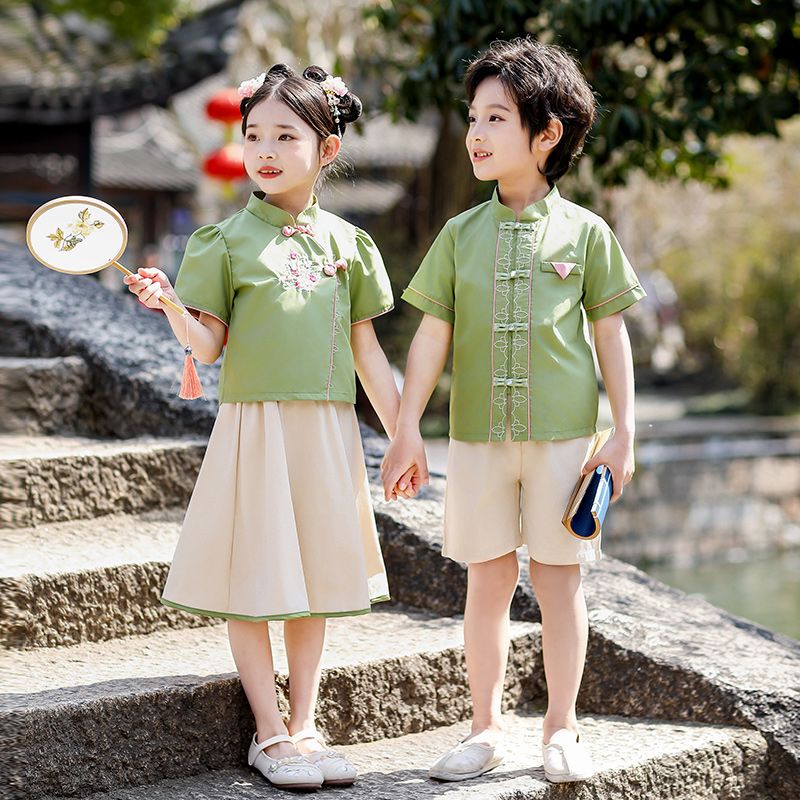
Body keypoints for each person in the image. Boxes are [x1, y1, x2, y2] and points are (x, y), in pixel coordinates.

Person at [125, 64, 402, 792]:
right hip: (256, 430)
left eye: (286, 135)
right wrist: (173, 309)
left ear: (327, 151)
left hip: (327, 432)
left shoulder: (351, 245)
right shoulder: (219, 243)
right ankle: (269, 732)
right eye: (254, 136)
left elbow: (368, 351)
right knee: (255, 578)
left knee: (313, 581)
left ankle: (306, 724)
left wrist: (404, 432)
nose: (266, 150)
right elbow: (208, 348)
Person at [381, 37, 646, 784]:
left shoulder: (586, 233)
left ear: (546, 134)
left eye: (496, 117)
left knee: (561, 584)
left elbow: (611, 335)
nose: (476, 133)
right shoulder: (460, 235)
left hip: (566, 444)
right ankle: (486, 728)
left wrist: (622, 436)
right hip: (476, 442)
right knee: (487, 582)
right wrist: (406, 428)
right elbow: (432, 337)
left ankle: (562, 728)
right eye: (473, 117)